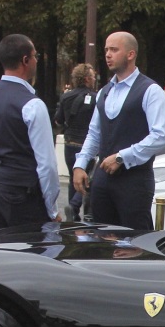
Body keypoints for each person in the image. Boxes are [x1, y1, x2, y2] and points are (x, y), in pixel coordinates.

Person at [72, 31, 165, 230]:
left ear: (130, 54)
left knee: (135, 243)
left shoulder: (151, 90)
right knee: (101, 239)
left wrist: (122, 157)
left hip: (134, 181)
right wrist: (80, 165)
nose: (108, 54)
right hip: (102, 180)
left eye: (114, 50)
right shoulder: (104, 92)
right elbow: (94, 133)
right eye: (106, 49)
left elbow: (161, 136)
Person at [0, 34, 61, 229]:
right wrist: (52, 208)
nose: (36, 60)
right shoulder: (32, 105)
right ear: (25, 60)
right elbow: (47, 165)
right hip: (20, 190)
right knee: (31, 250)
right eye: (35, 56)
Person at [54, 63, 97, 222]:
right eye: (93, 77)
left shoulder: (66, 96)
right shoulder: (95, 98)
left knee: (74, 177)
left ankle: (73, 216)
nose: (94, 80)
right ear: (86, 79)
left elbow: (58, 120)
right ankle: (77, 206)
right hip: (86, 145)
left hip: (69, 143)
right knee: (87, 179)